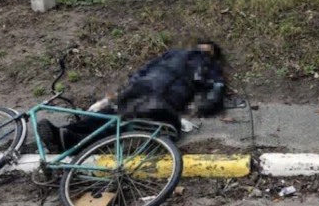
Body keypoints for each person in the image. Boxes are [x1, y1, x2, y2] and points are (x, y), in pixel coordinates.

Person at [36, 40, 225, 152]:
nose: (203, 50)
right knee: (114, 118)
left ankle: (69, 137)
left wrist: (201, 107)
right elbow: (215, 89)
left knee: (118, 120)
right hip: (154, 94)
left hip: (154, 94)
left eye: (207, 49)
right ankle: (66, 134)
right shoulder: (186, 58)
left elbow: (215, 91)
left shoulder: (189, 60)